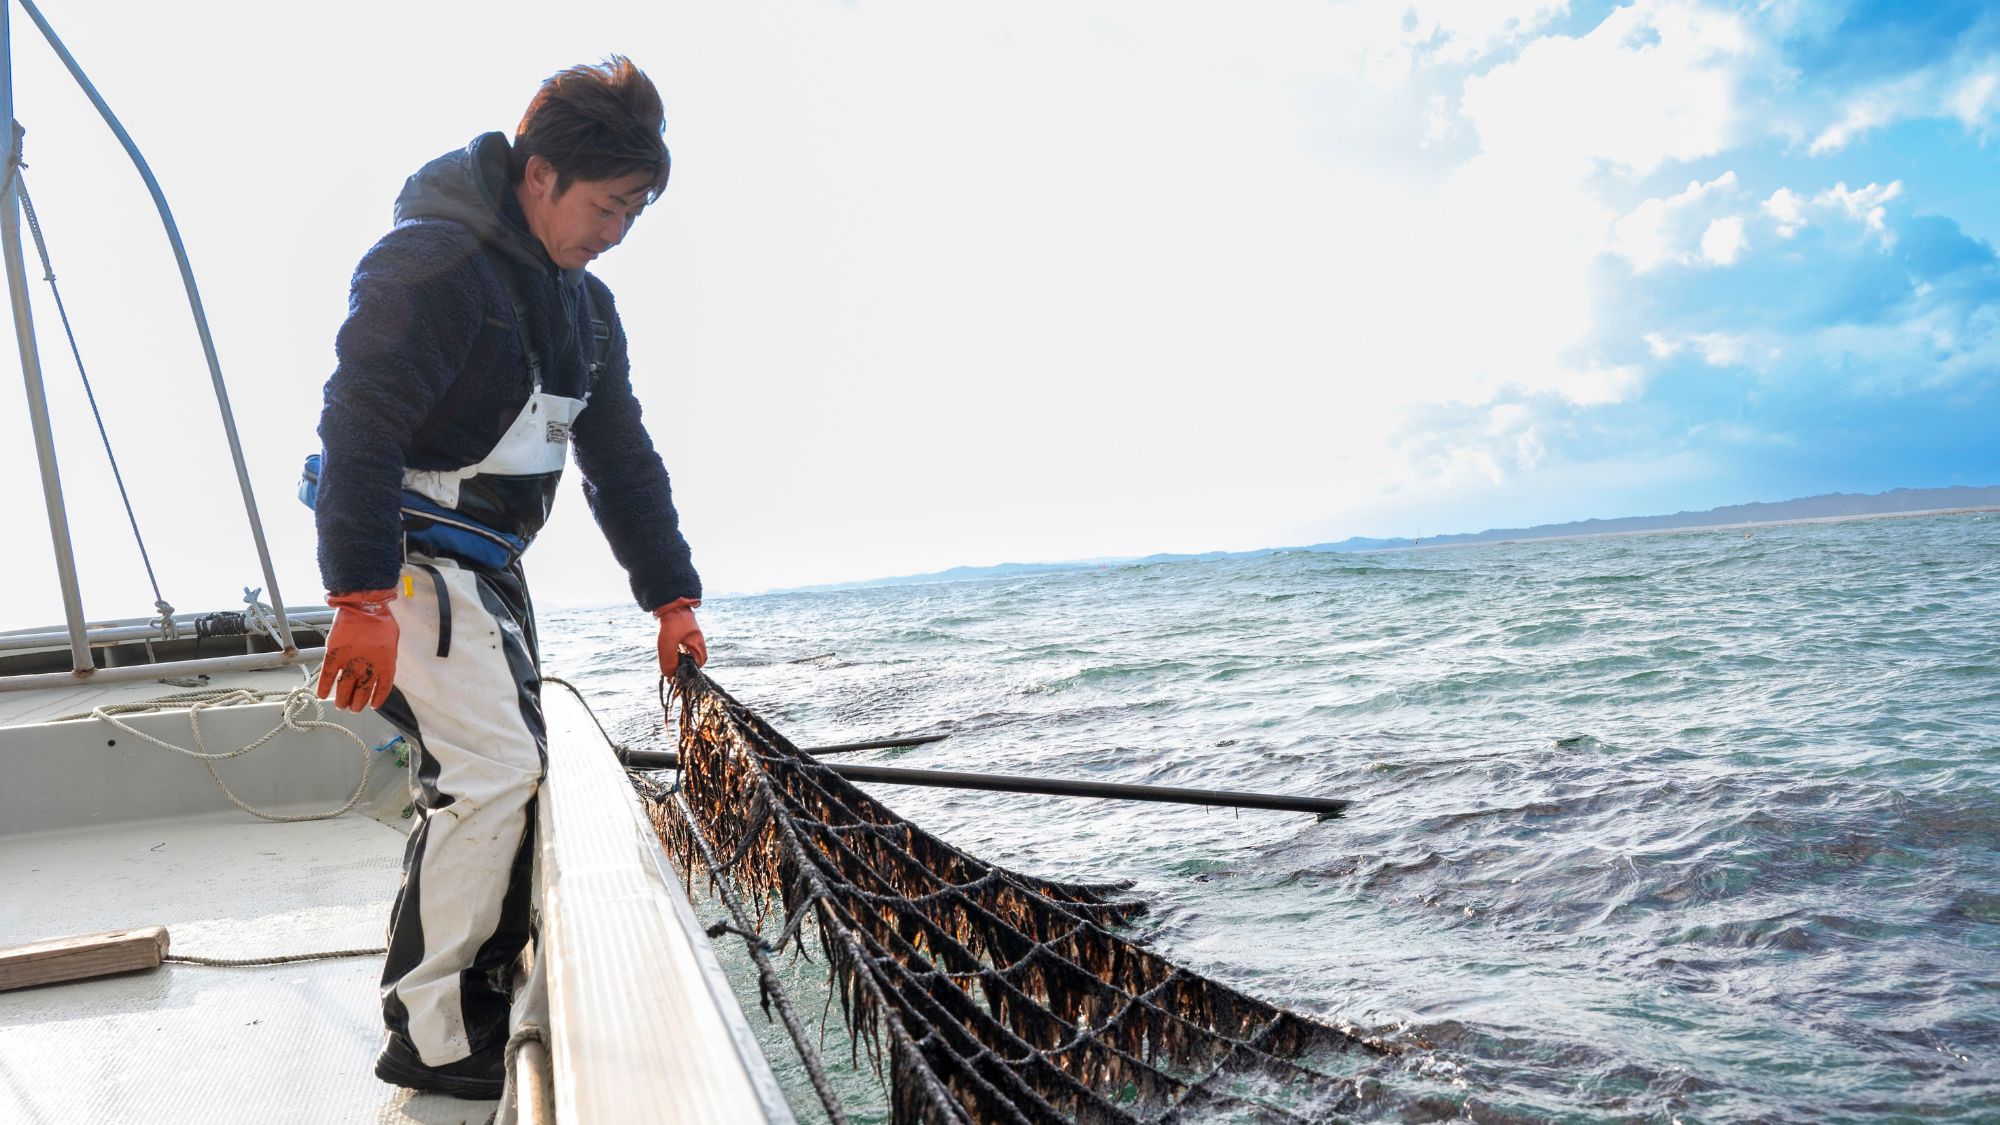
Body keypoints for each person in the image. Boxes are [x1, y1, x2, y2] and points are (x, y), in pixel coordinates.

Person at [308, 57, 706, 1100]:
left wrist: (671, 596)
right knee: (489, 775)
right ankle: (433, 1036)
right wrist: (358, 597)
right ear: (539, 173)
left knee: (493, 776)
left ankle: (469, 985)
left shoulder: (589, 310)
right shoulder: (430, 264)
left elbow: (620, 460)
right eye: (607, 205)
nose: (615, 230)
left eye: (635, 213)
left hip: (485, 573)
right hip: (405, 560)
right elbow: (358, 423)